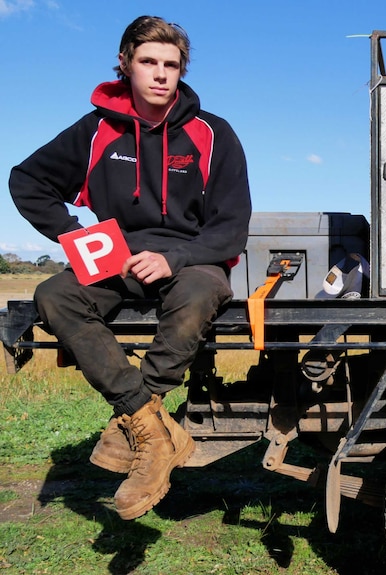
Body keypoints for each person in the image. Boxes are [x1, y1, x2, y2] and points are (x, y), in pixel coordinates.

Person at [9, 16, 252, 520]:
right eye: (148, 62)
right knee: (54, 294)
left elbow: (230, 228)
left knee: (197, 294)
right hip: (117, 255)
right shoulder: (97, 129)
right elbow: (27, 179)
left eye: (171, 64)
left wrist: (175, 258)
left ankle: (146, 411)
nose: (160, 74)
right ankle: (152, 428)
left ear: (182, 71)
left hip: (193, 257)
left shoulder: (213, 133)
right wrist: (76, 237)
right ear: (125, 64)